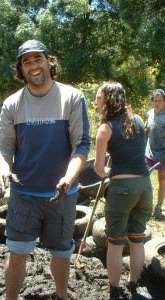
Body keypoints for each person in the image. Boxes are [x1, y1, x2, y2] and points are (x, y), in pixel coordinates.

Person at [0, 39, 90, 300]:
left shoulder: (72, 97)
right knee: (17, 255)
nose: (33, 66)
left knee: (61, 254)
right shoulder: (12, 103)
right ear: (21, 69)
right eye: (27, 62)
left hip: (63, 196)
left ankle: (62, 295)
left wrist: (67, 180)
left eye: (38, 59)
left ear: (50, 61)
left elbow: (80, 146)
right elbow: (3, 147)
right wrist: (4, 170)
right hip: (24, 195)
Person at [93, 81, 153, 300]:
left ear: (108, 99)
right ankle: (134, 284)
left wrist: (108, 169)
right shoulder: (136, 119)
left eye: (99, 97)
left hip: (122, 190)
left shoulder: (105, 128)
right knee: (137, 239)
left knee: (116, 244)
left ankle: (114, 290)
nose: (96, 102)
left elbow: (99, 169)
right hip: (145, 187)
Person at [145, 89, 165, 219]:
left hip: (163, 155)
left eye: (160, 101)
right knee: (144, 179)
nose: (157, 103)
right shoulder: (149, 114)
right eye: (155, 100)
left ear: (164, 102)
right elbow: (146, 130)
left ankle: (158, 207)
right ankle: (145, 206)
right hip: (149, 152)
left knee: (162, 180)